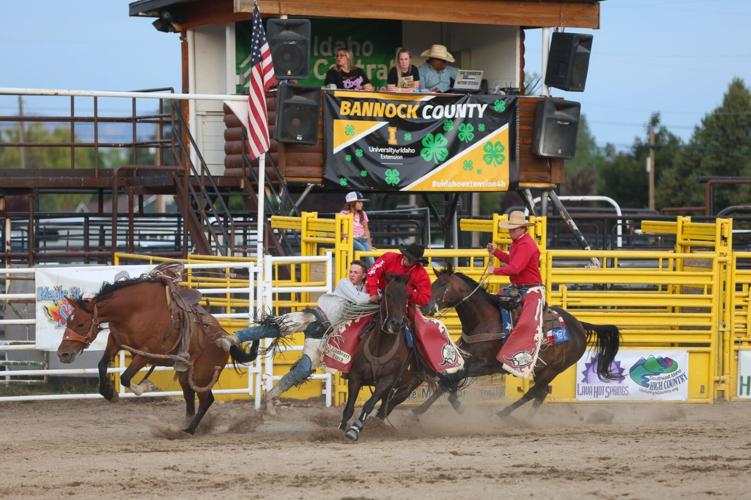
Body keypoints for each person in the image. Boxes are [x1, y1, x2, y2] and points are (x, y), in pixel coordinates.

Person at [216, 260, 371, 402]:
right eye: (350, 271)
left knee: (304, 369)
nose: (351, 275)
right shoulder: (346, 284)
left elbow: (362, 300)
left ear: (364, 275)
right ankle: (233, 338)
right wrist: (375, 297)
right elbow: (360, 300)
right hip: (312, 317)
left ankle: (272, 394)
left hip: (323, 333)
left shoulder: (363, 292)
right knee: (272, 329)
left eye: (356, 272)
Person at [486, 210, 544, 378]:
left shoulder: (525, 245)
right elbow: (513, 261)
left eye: (512, 228)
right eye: (510, 228)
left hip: (530, 288)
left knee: (525, 319)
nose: (510, 231)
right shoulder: (519, 242)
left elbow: (515, 268)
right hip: (521, 286)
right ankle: (506, 336)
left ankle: (509, 340)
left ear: (521, 228)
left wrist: (494, 270)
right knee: (499, 298)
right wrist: (496, 252)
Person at [366, 243, 431, 309]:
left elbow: (425, 298)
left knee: (416, 317)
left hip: (404, 301)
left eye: (410, 259)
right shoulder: (389, 257)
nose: (407, 259)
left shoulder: (422, 274)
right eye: (406, 256)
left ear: (416, 262)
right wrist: (373, 292)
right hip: (380, 293)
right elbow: (372, 273)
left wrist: (408, 292)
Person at [340, 191, 373, 265]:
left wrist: (370, 245)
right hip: (351, 239)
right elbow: (341, 231)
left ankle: (373, 273)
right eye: (359, 202)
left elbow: (366, 230)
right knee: (362, 249)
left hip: (362, 239)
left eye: (362, 202)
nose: (362, 204)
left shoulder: (363, 213)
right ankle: (361, 269)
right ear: (352, 203)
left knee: (370, 255)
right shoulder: (344, 214)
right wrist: (344, 236)